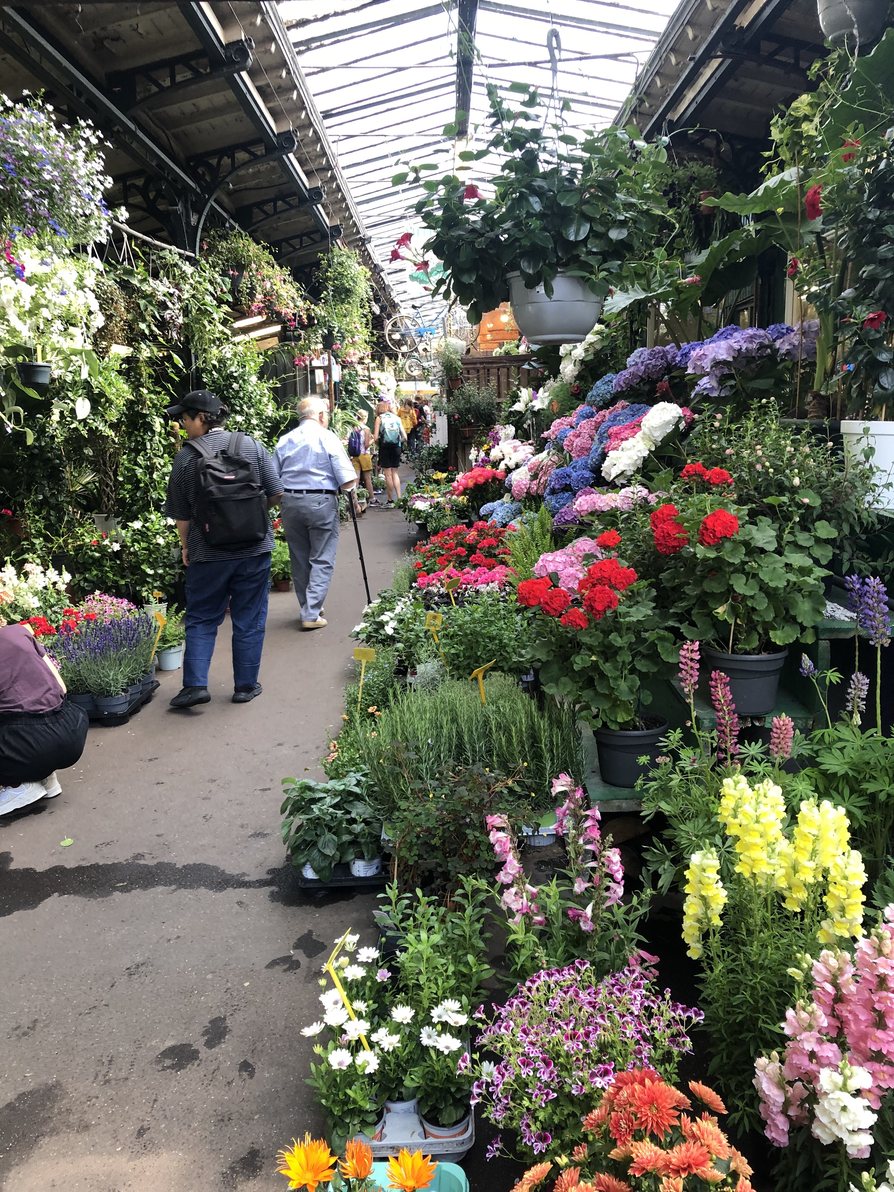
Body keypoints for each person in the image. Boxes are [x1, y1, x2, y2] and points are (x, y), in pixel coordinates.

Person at [164, 389, 282, 708]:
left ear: (202, 418)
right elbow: (275, 492)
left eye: (185, 419)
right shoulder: (251, 445)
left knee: (202, 618)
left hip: (208, 552)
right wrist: (248, 516)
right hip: (254, 549)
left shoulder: (186, 457)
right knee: (250, 617)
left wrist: (186, 547)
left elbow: (181, 512)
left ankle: (195, 686)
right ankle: (245, 686)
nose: (183, 425)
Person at [273, 397, 357, 631]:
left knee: (299, 557)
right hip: (321, 500)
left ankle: (309, 607)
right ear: (320, 415)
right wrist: (353, 498)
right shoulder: (327, 437)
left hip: (290, 501)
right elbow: (347, 480)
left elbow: (272, 478)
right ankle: (310, 612)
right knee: (322, 556)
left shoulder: (285, 440)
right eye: (326, 414)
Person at [0, 621, 88, 815]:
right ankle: (44, 778)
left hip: (30, 746)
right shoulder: (19, 632)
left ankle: (17, 786)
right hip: (72, 727)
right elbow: (61, 687)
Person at [374, 399, 406, 507]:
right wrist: (398, 442)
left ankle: (390, 500)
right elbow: (405, 437)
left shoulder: (379, 418)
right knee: (395, 473)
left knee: (388, 474)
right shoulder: (396, 418)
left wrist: (380, 445)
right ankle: (400, 499)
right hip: (396, 447)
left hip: (385, 448)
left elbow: (375, 438)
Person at [347, 410, 378, 509]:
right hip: (364, 455)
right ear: (364, 418)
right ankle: (372, 498)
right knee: (367, 478)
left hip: (355, 455)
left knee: (356, 477)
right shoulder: (366, 429)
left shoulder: (354, 428)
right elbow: (366, 445)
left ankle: (355, 499)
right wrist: (373, 439)